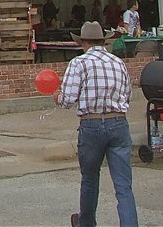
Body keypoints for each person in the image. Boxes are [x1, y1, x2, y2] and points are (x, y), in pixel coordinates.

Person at [53, 21, 137, 227]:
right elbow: (127, 96)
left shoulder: (79, 63)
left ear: (83, 43)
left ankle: (87, 223)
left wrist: (57, 97)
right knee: (123, 186)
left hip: (91, 124)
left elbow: (68, 99)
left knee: (90, 179)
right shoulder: (118, 63)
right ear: (103, 41)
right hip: (118, 121)